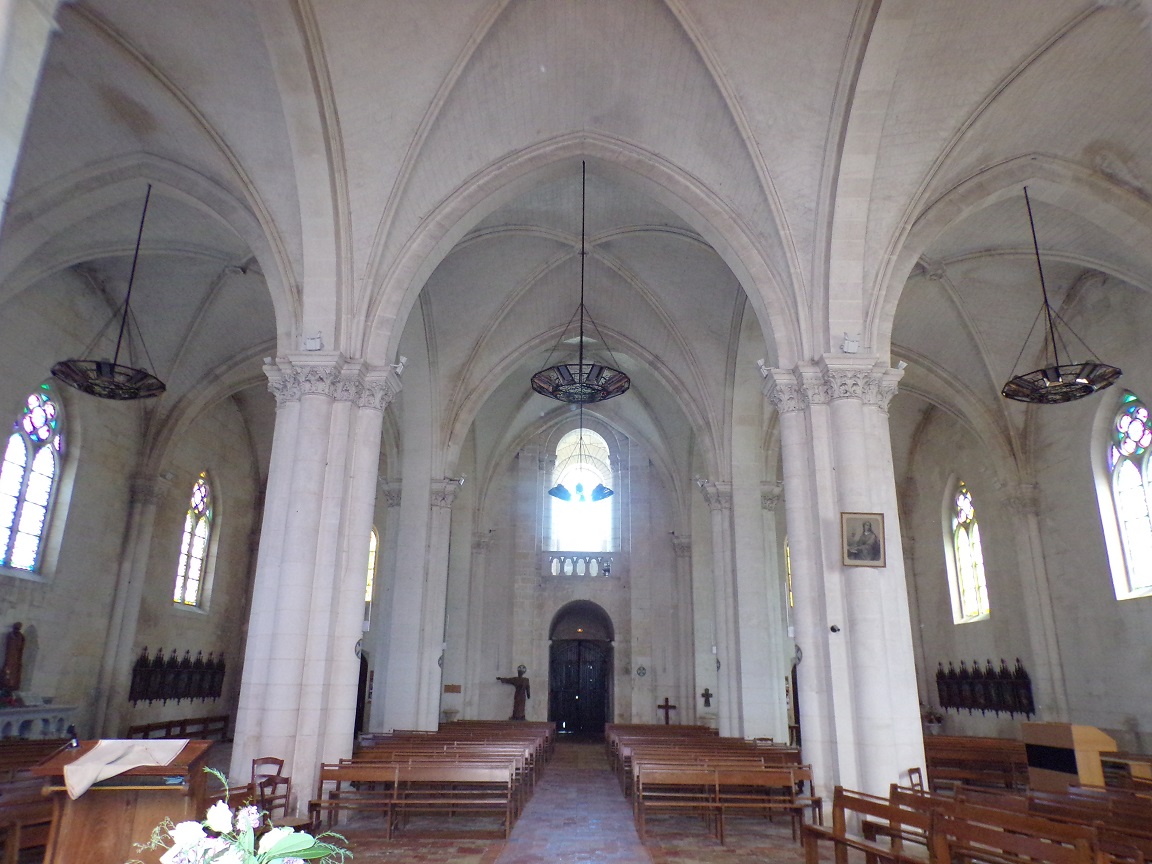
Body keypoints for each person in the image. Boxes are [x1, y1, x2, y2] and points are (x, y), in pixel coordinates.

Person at [1, 622, 25, 692]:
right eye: (16, 628)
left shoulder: (21, 636)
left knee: (15, 673)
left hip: (16, 658)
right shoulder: (10, 635)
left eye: (18, 628)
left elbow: (21, 647)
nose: (17, 630)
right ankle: (5, 685)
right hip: (9, 657)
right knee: (7, 671)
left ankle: (12, 686)